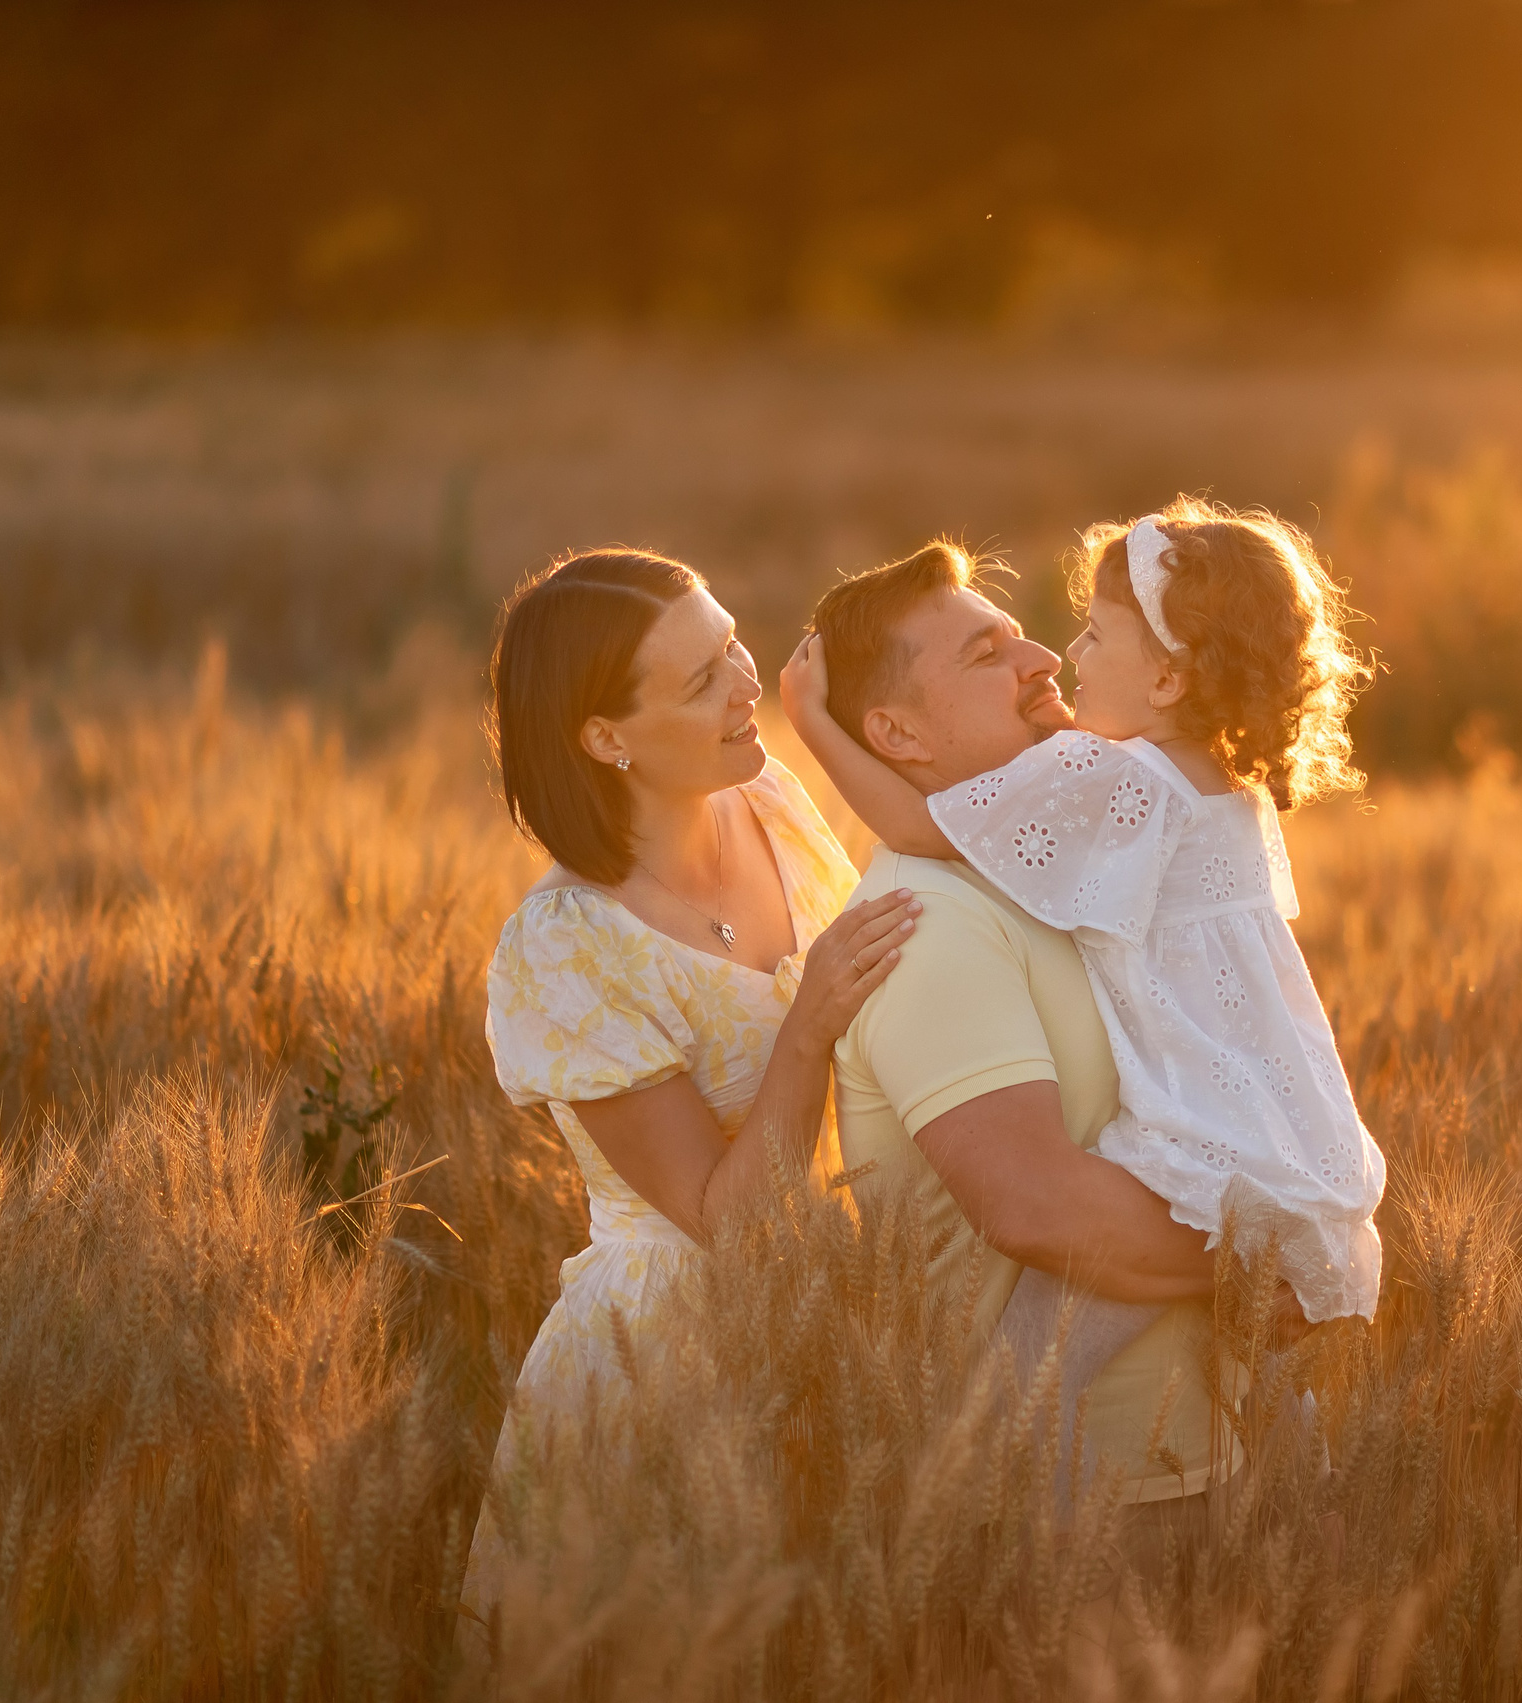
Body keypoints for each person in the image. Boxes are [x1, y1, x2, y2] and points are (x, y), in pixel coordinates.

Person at [783, 501, 1383, 1448]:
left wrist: (814, 726)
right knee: (1236, 1403)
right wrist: (1256, 1258)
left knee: (1027, 1385)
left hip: (1197, 1129)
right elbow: (1035, 1202)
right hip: (1265, 1125)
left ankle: (1044, 1515)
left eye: (1088, 634)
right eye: (989, 656)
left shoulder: (1114, 784)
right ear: (896, 731)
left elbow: (918, 826)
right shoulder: (1190, 789)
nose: (1058, 660)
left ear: (1171, 676)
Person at [463, 546, 919, 1638]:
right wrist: (804, 1030)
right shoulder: (564, 948)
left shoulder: (767, 794)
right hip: (661, 1372)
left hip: (845, 1320)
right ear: (605, 738)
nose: (743, 681)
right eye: (702, 676)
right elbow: (725, 1222)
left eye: (732, 643)